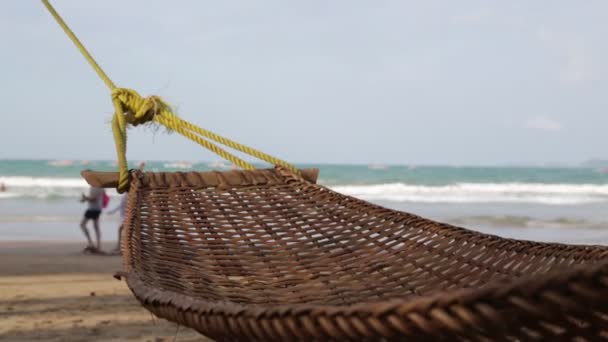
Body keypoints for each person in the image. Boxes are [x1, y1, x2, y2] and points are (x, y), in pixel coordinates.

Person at [80, 186, 105, 253]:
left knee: (83, 225)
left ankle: (92, 243)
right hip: (96, 208)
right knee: (95, 227)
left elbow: (94, 198)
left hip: (93, 209)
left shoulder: (96, 187)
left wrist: (85, 198)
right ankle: (96, 245)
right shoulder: (98, 186)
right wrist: (86, 198)